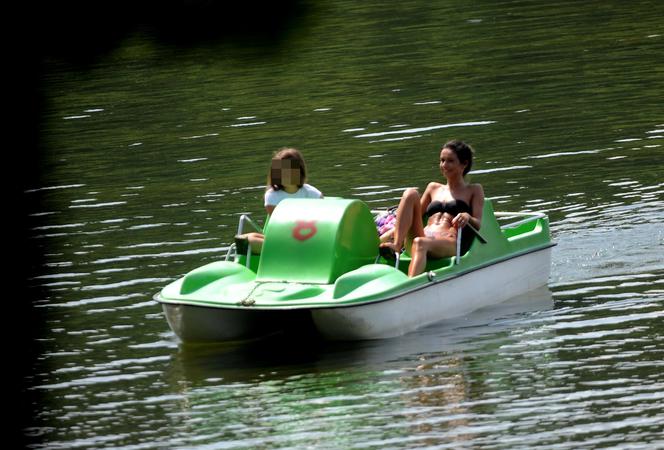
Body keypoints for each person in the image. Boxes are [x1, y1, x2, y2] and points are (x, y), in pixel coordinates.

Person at [380, 140, 484, 277]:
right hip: (424, 236)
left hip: (449, 243)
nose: (444, 165)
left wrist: (467, 217)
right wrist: (385, 236)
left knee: (420, 242)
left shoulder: (474, 190)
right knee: (410, 193)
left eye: (450, 161)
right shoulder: (433, 187)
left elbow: (478, 224)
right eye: (442, 160)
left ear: (464, 164)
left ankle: (410, 287)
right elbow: (413, 215)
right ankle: (397, 245)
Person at [240, 147, 323, 253]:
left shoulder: (312, 193)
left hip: (308, 236)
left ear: (299, 171)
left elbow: (321, 221)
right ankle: (288, 250)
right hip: (283, 237)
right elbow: (280, 225)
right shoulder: (272, 196)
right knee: (245, 240)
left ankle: (291, 250)